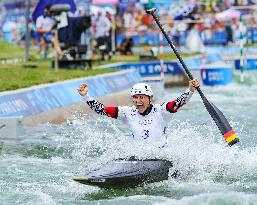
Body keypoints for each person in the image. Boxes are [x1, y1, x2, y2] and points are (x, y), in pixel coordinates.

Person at [77, 79, 200, 146]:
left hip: (161, 155)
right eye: (135, 97)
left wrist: (190, 90)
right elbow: (102, 110)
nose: (138, 101)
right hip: (140, 156)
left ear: (150, 98)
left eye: (142, 97)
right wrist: (86, 96)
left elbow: (178, 102)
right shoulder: (127, 112)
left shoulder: (161, 111)